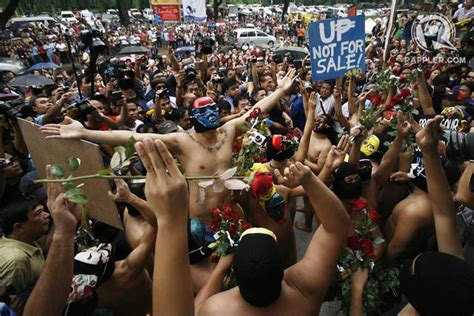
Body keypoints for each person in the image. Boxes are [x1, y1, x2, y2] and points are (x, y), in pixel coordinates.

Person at [41, 70, 297, 224]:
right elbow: (131, 138)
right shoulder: (181, 140)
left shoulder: (228, 131)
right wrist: (85, 132)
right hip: (199, 219)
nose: (209, 115)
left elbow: (256, 110)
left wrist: (281, 90)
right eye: (202, 111)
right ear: (192, 116)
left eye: (212, 109)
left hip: (231, 211)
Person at [195, 162, 350, 315]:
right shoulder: (305, 294)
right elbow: (337, 227)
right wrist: (308, 180)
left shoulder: (217, 309)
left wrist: (221, 269)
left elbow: (196, 310)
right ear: (283, 271)